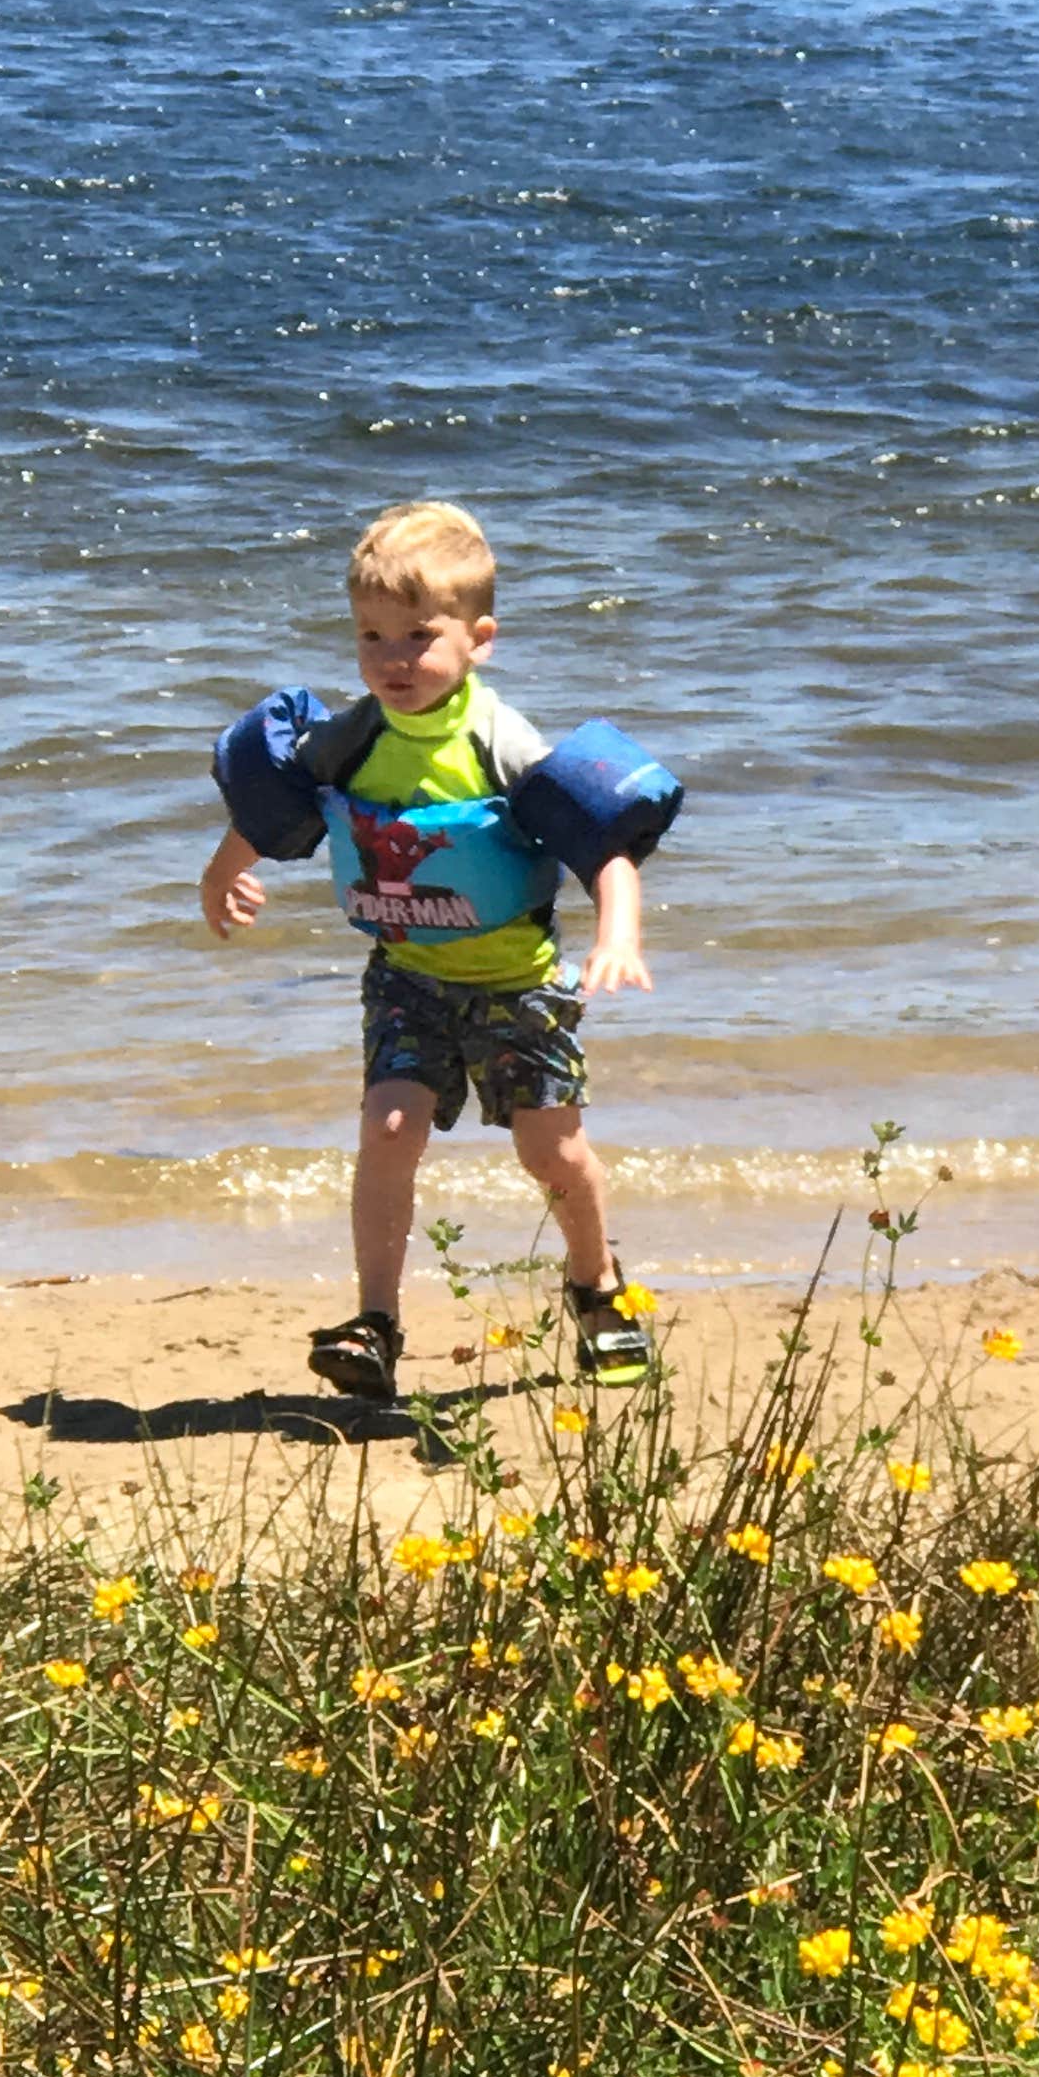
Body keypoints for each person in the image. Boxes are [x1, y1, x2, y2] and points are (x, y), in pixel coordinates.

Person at [198, 501, 676, 1407]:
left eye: (419, 636)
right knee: (388, 1132)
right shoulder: (354, 736)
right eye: (371, 636)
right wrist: (223, 872)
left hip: (519, 987)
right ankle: (374, 1325)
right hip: (409, 978)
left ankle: (595, 1286)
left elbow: (602, 845)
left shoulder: (500, 743)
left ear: (479, 638)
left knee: (553, 1154)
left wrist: (618, 934)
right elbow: (274, 808)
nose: (392, 659)